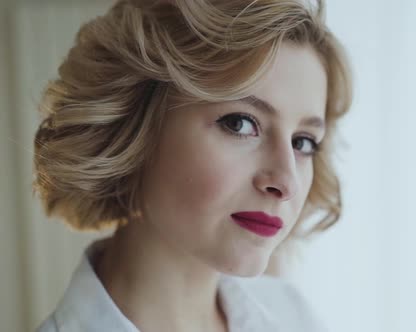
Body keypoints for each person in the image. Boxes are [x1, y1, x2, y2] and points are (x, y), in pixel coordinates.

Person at [32, 0, 352, 331]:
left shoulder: (292, 315)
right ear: (136, 128)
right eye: (241, 124)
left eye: (303, 142)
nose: (287, 182)